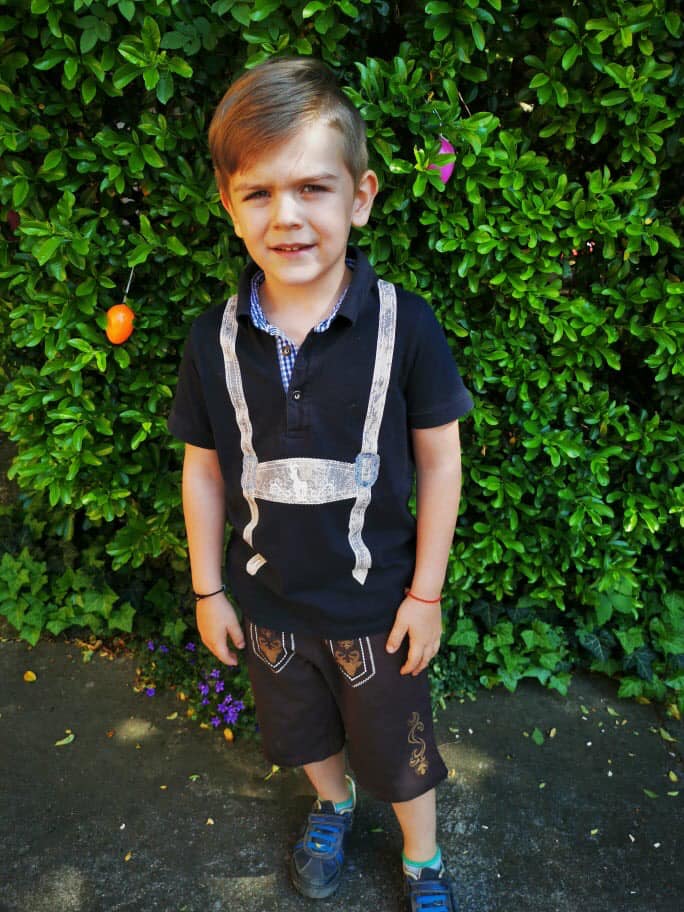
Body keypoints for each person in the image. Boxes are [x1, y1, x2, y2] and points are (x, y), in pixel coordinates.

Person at [168, 57, 473, 911]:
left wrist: (426, 594)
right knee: (302, 732)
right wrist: (208, 588)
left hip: (378, 609)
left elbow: (441, 460)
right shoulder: (211, 339)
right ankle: (332, 806)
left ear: (360, 197)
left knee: (401, 752)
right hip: (269, 607)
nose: (287, 215)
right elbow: (203, 468)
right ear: (229, 205)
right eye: (259, 193)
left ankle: (422, 857)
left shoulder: (407, 325)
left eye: (312, 188)